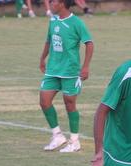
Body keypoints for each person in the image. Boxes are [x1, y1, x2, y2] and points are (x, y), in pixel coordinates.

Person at [39, 0, 93, 152]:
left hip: (70, 71)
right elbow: (48, 41)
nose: (50, 4)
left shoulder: (76, 23)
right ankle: (57, 135)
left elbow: (89, 43)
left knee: (69, 104)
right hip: (52, 69)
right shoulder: (53, 20)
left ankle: (74, 141)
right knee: (44, 100)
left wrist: (86, 66)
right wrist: (42, 58)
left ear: (62, 3)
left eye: (53, 1)